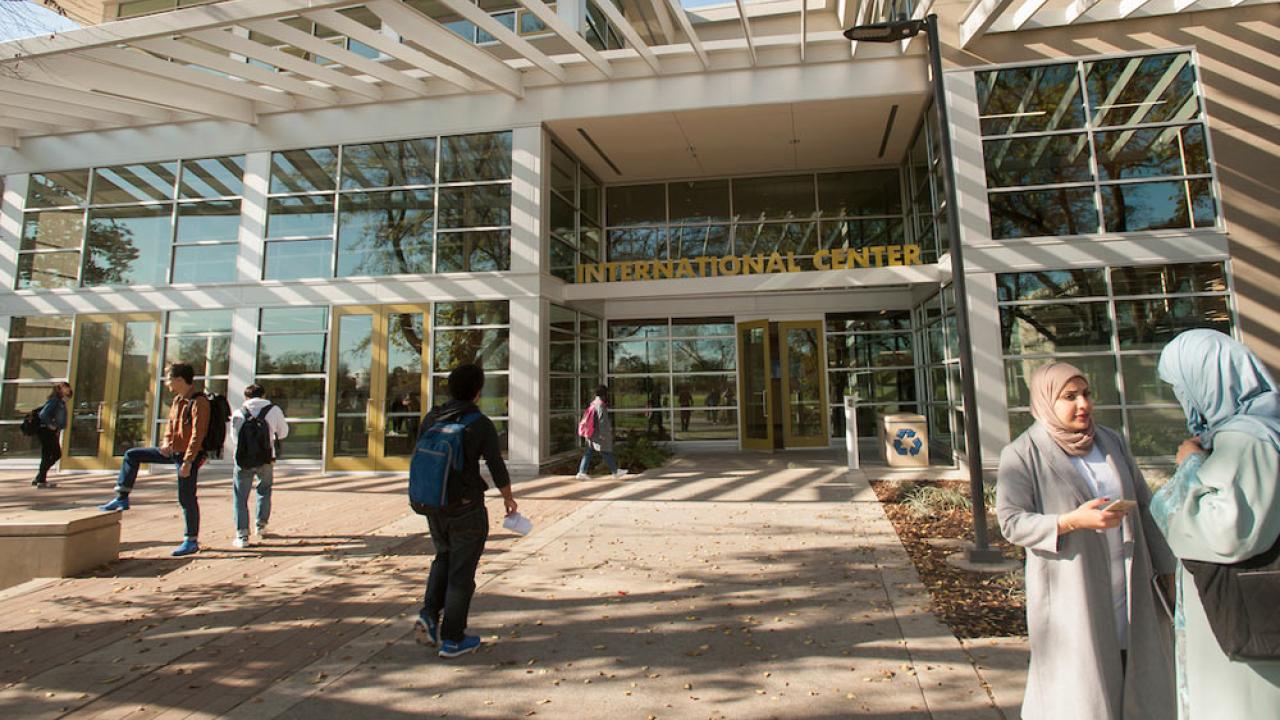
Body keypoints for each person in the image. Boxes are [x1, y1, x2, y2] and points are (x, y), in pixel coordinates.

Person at [996, 362, 1175, 720]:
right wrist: (1069, 521)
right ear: (1047, 401)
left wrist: (1166, 571)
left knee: (1138, 675)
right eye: (1069, 397)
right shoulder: (1023, 453)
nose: (1083, 405)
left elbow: (1144, 506)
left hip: (1128, 582)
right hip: (1071, 591)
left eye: (1086, 394)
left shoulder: (1110, 441)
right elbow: (1011, 522)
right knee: (1081, 691)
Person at [1149, 330, 1280, 718]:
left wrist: (1187, 468)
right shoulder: (1254, 430)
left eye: (1181, 386)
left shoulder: (1247, 437)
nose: (1181, 399)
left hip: (1245, 629)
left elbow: (1228, 532)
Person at [413, 363, 517, 659]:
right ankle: (453, 638)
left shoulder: (432, 417)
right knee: (462, 573)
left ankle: (429, 614)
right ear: (477, 391)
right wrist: (508, 498)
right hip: (467, 508)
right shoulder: (479, 422)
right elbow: (496, 465)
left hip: (434, 504)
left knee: (443, 557)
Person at [98, 363, 211, 558]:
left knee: (186, 497)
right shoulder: (177, 401)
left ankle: (191, 539)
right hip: (172, 451)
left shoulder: (199, 402)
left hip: (188, 456)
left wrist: (188, 461)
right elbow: (170, 425)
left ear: (179, 379)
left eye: (168, 379)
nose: (167, 384)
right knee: (132, 455)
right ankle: (122, 497)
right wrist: (166, 442)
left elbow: (197, 434)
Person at [230, 384, 289, 549]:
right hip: (266, 457)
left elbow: (234, 438)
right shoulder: (274, 410)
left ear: (246, 397)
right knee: (264, 489)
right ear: (263, 395)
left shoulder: (238, 412)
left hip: (243, 460)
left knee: (240, 496)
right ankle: (261, 525)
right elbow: (283, 432)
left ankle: (242, 535)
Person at [576, 385, 627, 481]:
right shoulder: (600, 405)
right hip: (598, 434)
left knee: (590, 452)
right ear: (604, 394)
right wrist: (604, 435)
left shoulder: (594, 403)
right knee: (605, 451)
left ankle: (582, 472)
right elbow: (602, 421)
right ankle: (615, 471)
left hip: (591, 433)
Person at [32, 382, 72, 489]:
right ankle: (40, 478)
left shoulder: (61, 401)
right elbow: (43, 414)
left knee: (47, 454)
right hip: (46, 430)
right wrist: (51, 425)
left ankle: (40, 478)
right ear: (60, 389)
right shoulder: (55, 400)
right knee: (55, 453)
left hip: (51, 431)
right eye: (66, 387)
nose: (68, 389)